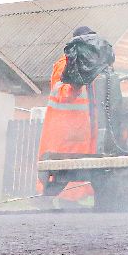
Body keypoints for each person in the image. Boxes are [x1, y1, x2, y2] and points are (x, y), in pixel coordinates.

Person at [36, 25, 98, 196]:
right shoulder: (65, 65)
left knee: (79, 170)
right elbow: (62, 93)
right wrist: (75, 83)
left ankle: (75, 199)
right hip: (64, 134)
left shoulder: (91, 67)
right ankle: (57, 200)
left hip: (82, 132)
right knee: (64, 171)